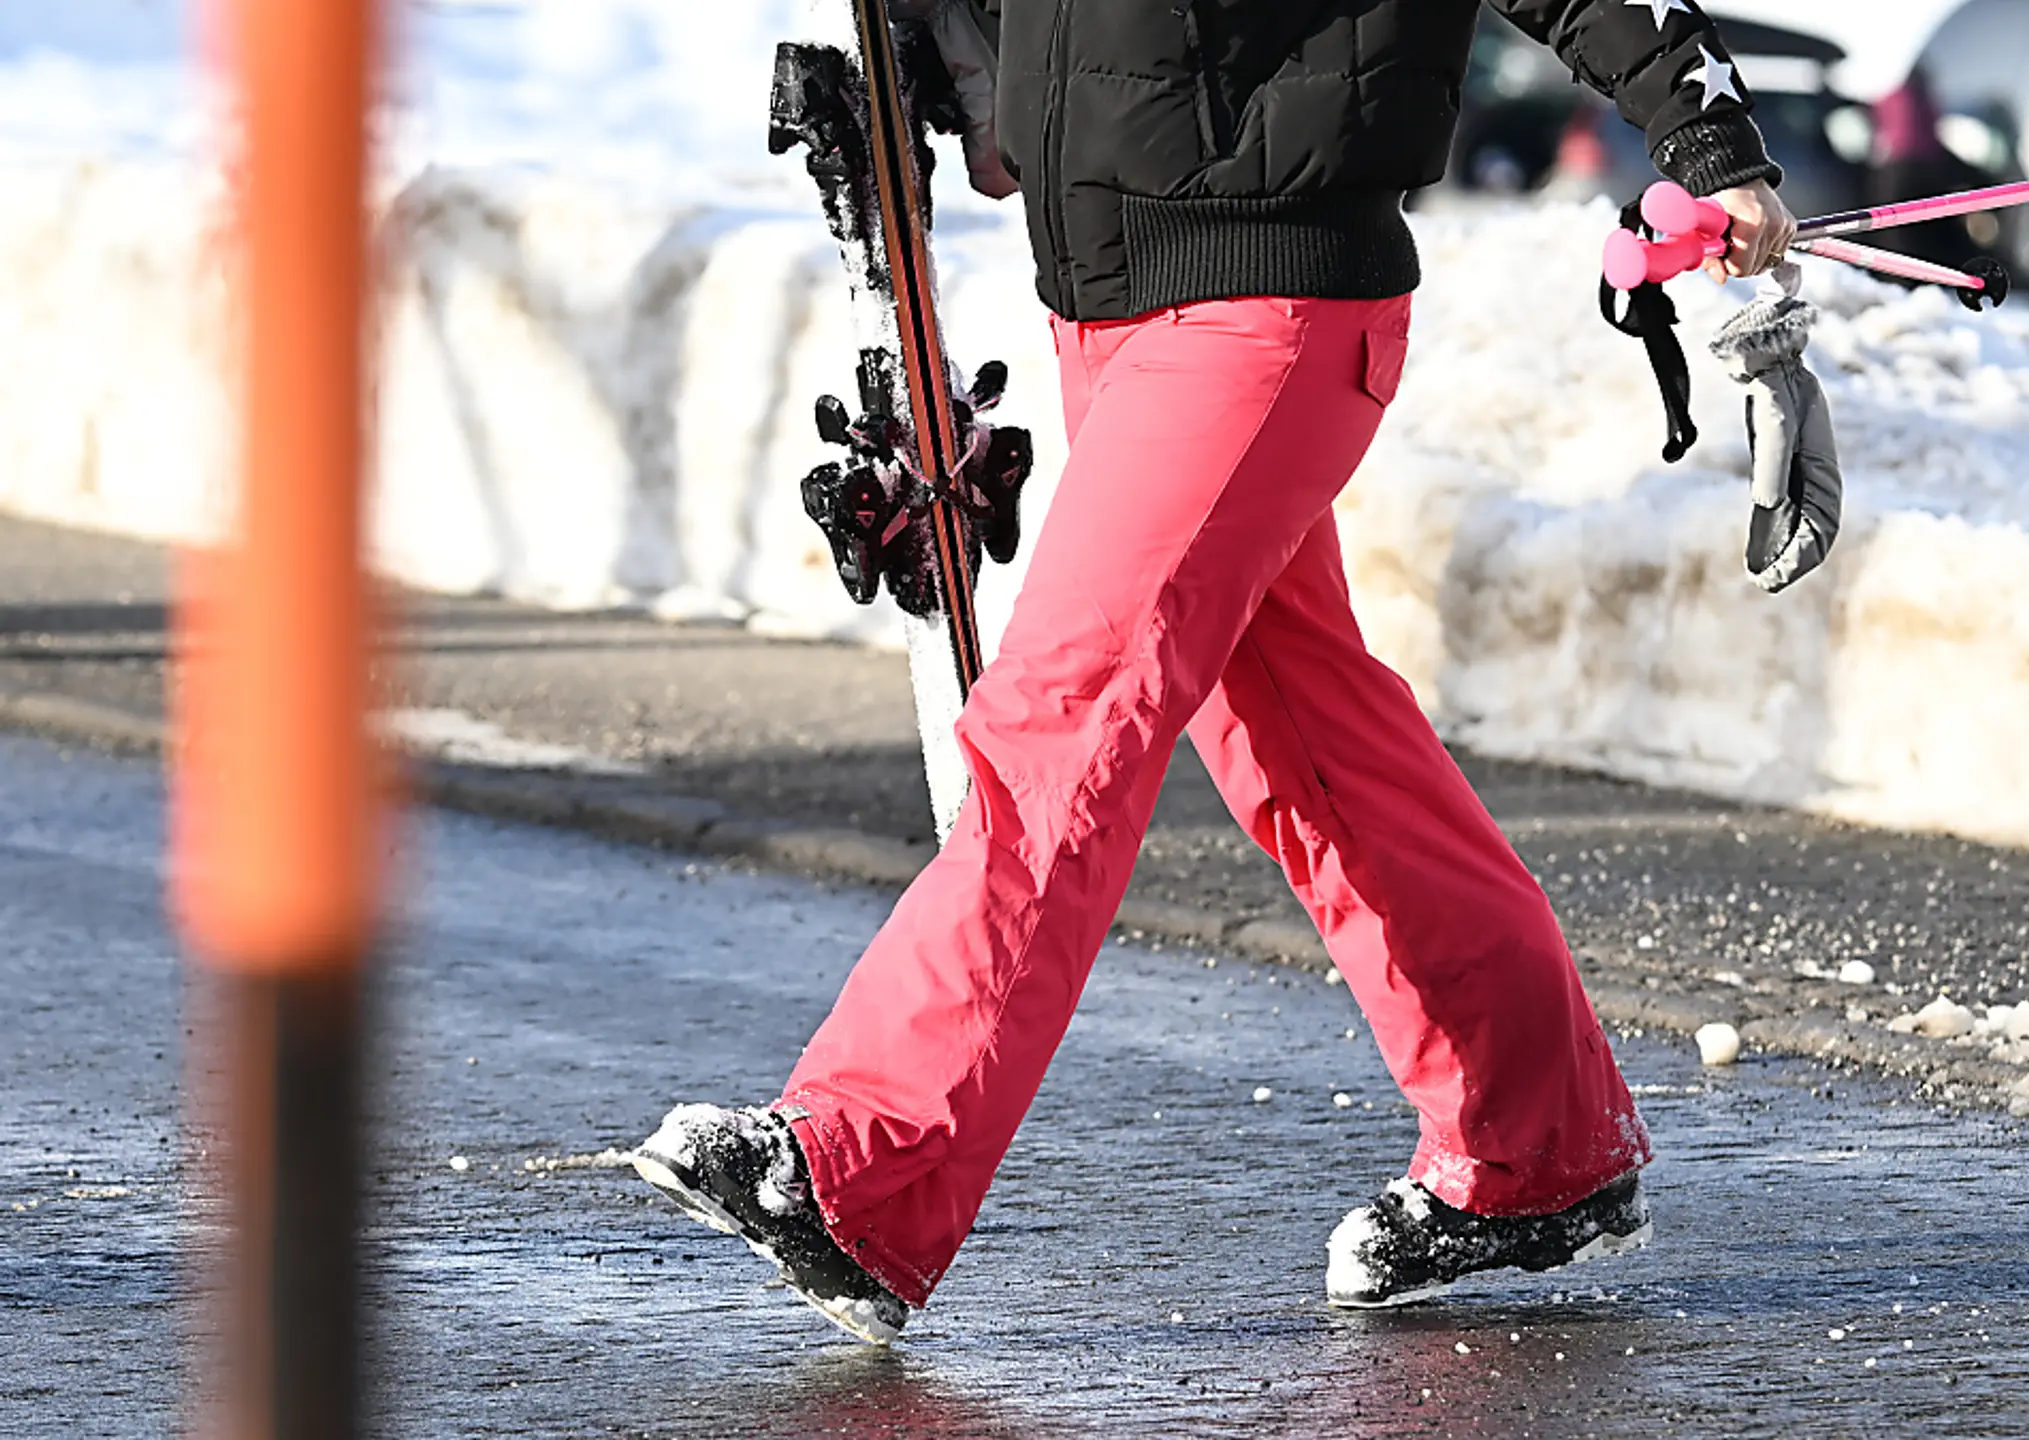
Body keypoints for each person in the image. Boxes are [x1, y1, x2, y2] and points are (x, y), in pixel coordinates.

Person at [632, 0, 1798, 1343]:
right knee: (1306, 747)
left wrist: (1708, 134)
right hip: (1109, 301)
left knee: (1068, 718)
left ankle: (861, 1158)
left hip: (1268, 301)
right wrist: (938, 65)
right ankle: (1539, 1142)